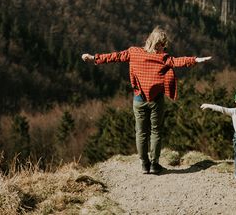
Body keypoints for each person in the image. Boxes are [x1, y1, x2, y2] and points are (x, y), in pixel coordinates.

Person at [82, 26, 211, 175]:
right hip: (156, 100)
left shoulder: (134, 52)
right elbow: (178, 61)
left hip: (138, 99)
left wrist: (93, 58)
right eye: (162, 45)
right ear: (157, 44)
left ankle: (145, 164)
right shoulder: (163, 58)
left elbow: (114, 57)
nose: (163, 48)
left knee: (141, 132)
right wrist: (196, 60)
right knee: (156, 131)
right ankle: (154, 165)